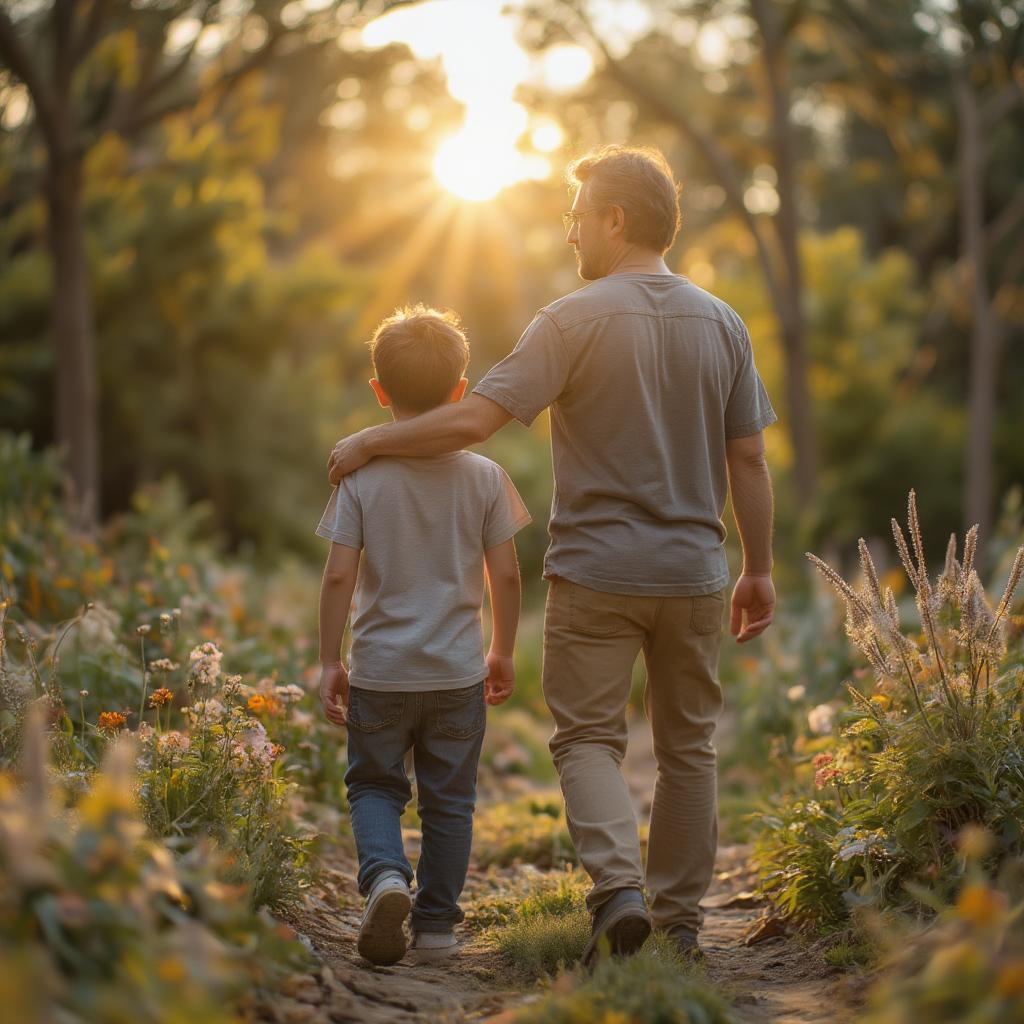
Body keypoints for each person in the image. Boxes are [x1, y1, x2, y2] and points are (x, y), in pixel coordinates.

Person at [326, 145, 777, 966]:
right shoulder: (724, 322)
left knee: (586, 741)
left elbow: (471, 424)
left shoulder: (570, 321)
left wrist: (367, 441)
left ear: (615, 219)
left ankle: (619, 892)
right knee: (689, 748)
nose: (571, 237)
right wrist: (760, 567)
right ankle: (677, 922)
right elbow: (748, 459)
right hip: (695, 573)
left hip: (596, 572)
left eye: (578, 219)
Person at [316, 305, 531, 966]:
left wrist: (330, 661)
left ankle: (384, 876)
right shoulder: (486, 478)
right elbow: (508, 575)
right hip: (457, 673)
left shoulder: (360, 475)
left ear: (379, 392)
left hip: (381, 671)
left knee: (374, 787)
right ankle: (436, 929)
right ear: (460, 393)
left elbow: (336, 579)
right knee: (450, 803)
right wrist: (502, 650)